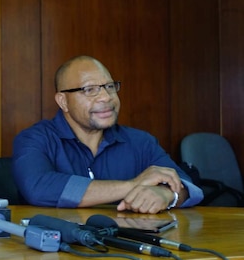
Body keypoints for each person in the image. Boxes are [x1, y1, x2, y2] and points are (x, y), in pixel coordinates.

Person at [12, 55, 203, 214]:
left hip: (129, 249)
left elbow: (186, 185)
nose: (106, 97)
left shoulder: (140, 141)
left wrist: (167, 195)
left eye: (110, 87)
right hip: (55, 252)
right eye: (89, 90)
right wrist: (133, 186)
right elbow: (38, 187)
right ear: (63, 101)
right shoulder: (35, 139)